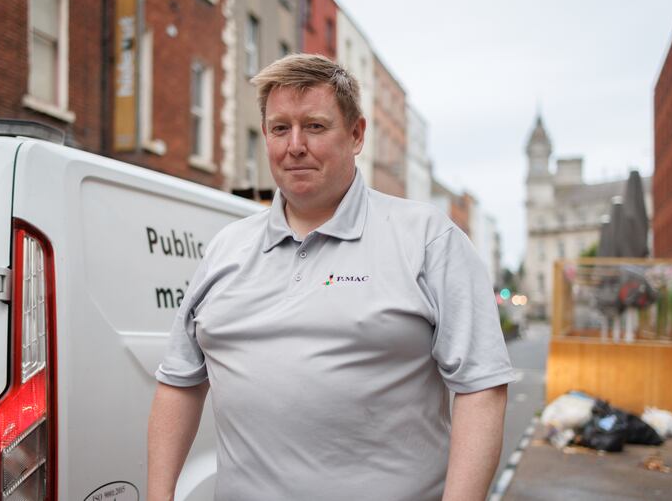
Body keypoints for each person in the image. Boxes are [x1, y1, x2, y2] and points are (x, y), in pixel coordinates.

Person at [148, 53, 514, 501]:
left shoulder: (427, 238)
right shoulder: (226, 248)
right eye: (280, 128)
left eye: (315, 126)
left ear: (356, 134)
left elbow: (482, 387)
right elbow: (180, 382)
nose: (295, 145)